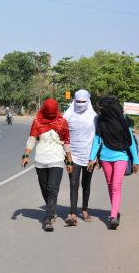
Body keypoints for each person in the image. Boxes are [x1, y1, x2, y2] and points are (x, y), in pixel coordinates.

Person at [21, 98, 73, 232]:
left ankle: (48, 219)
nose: (50, 115)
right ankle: (52, 210)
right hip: (40, 160)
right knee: (44, 188)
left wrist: (69, 161)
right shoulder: (37, 122)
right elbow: (31, 139)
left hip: (56, 159)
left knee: (52, 188)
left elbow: (66, 142)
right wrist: (26, 156)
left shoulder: (62, 122)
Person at [87, 97, 139, 229]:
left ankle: (113, 216)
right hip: (105, 158)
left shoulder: (123, 121)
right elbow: (97, 140)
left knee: (116, 185)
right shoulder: (100, 121)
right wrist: (92, 158)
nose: (100, 111)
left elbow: (131, 142)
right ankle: (115, 211)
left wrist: (136, 160)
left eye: (102, 109)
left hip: (121, 156)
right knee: (110, 185)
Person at [63, 89, 97, 226]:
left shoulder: (94, 117)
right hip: (72, 155)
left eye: (84, 101)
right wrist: (66, 156)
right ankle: (72, 213)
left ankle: (84, 210)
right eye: (78, 102)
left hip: (89, 157)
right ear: (74, 101)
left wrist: (96, 157)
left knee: (86, 185)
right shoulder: (68, 115)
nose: (81, 104)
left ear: (88, 100)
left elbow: (97, 138)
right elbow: (63, 136)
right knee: (73, 184)